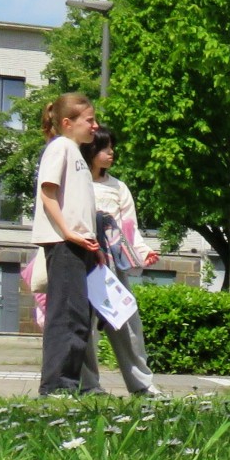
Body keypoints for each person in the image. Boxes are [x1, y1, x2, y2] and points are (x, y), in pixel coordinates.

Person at [77, 127, 164, 398]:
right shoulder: (76, 182)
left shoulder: (118, 187)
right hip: (80, 261)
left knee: (127, 325)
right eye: (105, 148)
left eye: (112, 147)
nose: (111, 152)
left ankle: (142, 385)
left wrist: (141, 251)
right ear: (90, 150)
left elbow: (129, 228)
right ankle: (88, 386)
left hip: (111, 266)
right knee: (84, 327)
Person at [32, 92, 102, 397]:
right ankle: (57, 386)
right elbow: (47, 193)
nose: (95, 126)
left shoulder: (76, 155)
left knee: (79, 317)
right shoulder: (59, 147)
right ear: (66, 123)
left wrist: (92, 246)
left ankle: (70, 384)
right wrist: (69, 233)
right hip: (64, 244)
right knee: (66, 316)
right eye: (89, 120)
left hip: (79, 245)